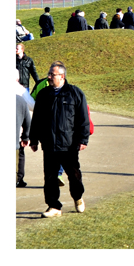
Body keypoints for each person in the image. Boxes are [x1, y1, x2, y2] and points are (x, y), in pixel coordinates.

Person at [30, 61, 90, 217]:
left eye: (52, 74)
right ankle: (54, 206)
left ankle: (78, 197)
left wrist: (83, 139)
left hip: (68, 144)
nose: (49, 77)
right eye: (49, 73)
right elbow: (36, 119)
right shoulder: (44, 95)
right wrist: (34, 139)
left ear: (62, 76)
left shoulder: (75, 93)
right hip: (49, 144)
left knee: (74, 175)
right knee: (50, 177)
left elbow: (83, 118)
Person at [16, 68, 35, 187]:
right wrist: (26, 136)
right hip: (18, 128)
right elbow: (32, 106)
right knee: (20, 154)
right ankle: (19, 178)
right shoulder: (21, 90)